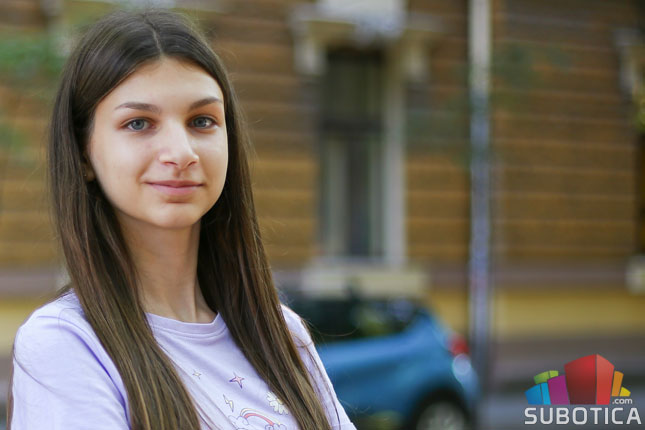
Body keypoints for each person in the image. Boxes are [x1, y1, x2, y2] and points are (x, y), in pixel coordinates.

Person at [7, 8, 356, 430]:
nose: (182, 152)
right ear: (84, 154)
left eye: (202, 121)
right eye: (139, 123)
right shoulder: (66, 343)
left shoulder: (283, 334)